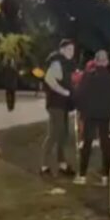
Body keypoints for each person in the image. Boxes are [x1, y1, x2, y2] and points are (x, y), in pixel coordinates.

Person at [74, 50, 110, 186]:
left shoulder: (88, 77)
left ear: (95, 61)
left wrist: (81, 109)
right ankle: (106, 176)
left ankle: (82, 175)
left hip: (90, 114)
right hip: (105, 115)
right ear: (106, 62)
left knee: (87, 144)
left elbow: (79, 94)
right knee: (105, 145)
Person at [40, 39, 76, 177]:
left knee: (62, 134)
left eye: (73, 50)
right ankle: (44, 166)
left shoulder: (65, 63)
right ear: (62, 50)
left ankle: (62, 164)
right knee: (54, 134)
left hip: (62, 105)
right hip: (56, 104)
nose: (71, 52)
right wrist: (64, 92)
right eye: (69, 49)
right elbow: (49, 79)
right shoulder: (57, 62)